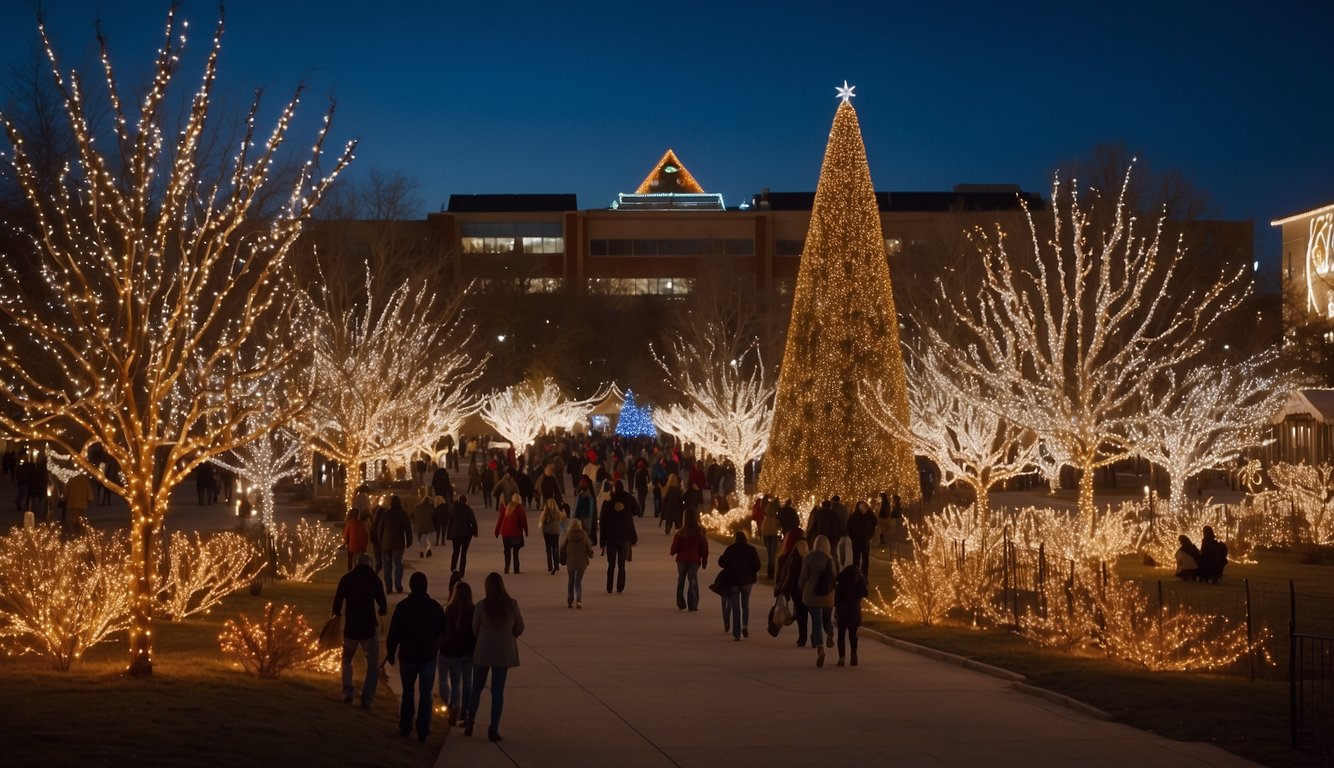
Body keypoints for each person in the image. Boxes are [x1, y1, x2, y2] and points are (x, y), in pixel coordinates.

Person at [385, 571, 447, 741]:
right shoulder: (434, 606)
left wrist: (390, 652)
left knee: (408, 691)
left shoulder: (403, 606)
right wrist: (437, 644)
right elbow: (443, 630)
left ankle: (406, 725)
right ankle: (423, 728)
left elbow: (394, 633)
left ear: (411, 586)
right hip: (427, 655)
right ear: (425, 586)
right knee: (426, 694)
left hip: (408, 656)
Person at [467, 572, 525, 742]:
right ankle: (493, 728)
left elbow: (474, 630)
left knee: (476, 688)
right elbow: (520, 628)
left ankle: (470, 721)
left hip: (484, 649)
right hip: (503, 651)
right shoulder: (512, 605)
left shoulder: (481, 605)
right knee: (497, 692)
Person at [332, 553, 387, 707]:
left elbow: (337, 601)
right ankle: (367, 698)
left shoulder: (347, 578)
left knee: (347, 660)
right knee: (372, 664)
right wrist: (382, 611)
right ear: (369, 564)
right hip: (368, 628)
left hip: (351, 628)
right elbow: (382, 602)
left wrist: (336, 614)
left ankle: (348, 691)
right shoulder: (374, 580)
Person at [438, 579, 476, 727]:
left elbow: (445, 631)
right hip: (468, 651)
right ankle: (465, 711)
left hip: (452, 652)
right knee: (468, 682)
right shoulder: (473, 610)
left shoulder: (449, 610)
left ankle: (454, 706)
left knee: (455, 682)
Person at [798, 534, 837, 667]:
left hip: (812, 595)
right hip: (827, 595)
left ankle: (820, 647)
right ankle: (830, 632)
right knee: (826, 620)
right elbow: (834, 577)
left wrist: (801, 587)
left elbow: (803, 577)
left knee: (816, 622)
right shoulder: (830, 560)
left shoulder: (808, 558)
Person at [718, 530, 761, 641]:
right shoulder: (751, 550)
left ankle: (736, 633)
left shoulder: (730, 549)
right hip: (747, 581)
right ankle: (745, 626)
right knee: (745, 605)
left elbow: (722, 562)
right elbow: (758, 565)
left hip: (733, 581)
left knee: (735, 606)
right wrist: (751, 572)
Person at [599, 480, 639, 594]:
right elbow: (638, 511)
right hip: (625, 536)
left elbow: (602, 521)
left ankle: (609, 587)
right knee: (621, 564)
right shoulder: (629, 498)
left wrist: (602, 540)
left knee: (611, 564)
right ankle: (620, 588)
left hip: (611, 537)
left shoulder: (608, 500)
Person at [775, 531, 808, 647]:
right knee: (809, 613)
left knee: (800, 613)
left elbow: (789, 575)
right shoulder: (808, 557)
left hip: (796, 589)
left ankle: (802, 637)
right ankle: (814, 637)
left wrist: (783, 590)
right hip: (807, 589)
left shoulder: (792, 558)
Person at [669, 514, 709, 612]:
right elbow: (704, 547)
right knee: (693, 580)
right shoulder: (700, 532)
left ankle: (680, 602)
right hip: (694, 560)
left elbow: (673, 549)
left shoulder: (680, 533)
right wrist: (704, 560)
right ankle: (693, 604)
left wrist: (674, 551)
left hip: (682, 560)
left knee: (681, 580)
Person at [834, 562, 868, 666]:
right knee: (853, 635)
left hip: (843, 611)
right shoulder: (859, 580)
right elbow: (865, 593)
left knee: (841, 635)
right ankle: (854, 655)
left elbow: (837, 597)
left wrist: (836, 608)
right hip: (855, 611)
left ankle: (842, 657)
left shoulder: (842, 581)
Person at [377, 495, 413, 593]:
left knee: (387, 565)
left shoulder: (386, 514)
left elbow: (380, 528)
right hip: (398, 543)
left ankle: (389, 587)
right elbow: (407, 529)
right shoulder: (403, 514)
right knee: (398, 564)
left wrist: (380, 541)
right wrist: (409, 541)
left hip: (386, 543)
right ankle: (398, 585)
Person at [559, 518, 595, 608]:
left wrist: (561, 557)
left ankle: (570, 600)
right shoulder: (584, 535)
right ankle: (578, 601)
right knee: (578, 582)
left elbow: (563, 548)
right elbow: (588, 548)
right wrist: (591, 554)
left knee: (571, 581)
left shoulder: (568, 535)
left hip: (570, 561)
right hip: (582, 562)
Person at [495, 493, 529, 574]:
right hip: (516, 534)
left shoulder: (506, 507)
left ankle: (506, 568)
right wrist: (526, 531)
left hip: (505, 534)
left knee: (507, 551)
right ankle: (516, 570)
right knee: (515, 553)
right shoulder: (520, 508)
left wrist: (496, 531)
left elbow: (500, 520)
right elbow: (523, 521)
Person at [448, 494, 479, 576]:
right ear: (466, 501)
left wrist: (449, 534)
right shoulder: (468, 509)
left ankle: (453, 569)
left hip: (455, 533)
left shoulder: (453, 508)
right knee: (463, 553)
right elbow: (473, 521)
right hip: (466, 534)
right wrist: (475, 532)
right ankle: (462, 572)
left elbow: (450, 522)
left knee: (455, 551)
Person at [846, 499, 877, 577]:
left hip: (865, 540)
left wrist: (869, 536)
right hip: (856, 540)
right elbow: (849, 528)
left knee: (865, 559)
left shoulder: (870, 515)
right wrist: (852, 537)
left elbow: (874, 525)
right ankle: (856, 575)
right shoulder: (853, 516)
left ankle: (864, 575)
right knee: (856, 559)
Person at [539, 498, 565, 575]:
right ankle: (556, 565)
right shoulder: (559, 514)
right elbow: (563, 523)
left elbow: (541, 524)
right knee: (555, 549)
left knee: (548, 549)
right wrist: (562, 530)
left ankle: (550, 566)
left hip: (547, 533)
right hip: (556, 533)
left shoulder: (545, 513)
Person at [759, 495, 781, 579]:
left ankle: (769, 571)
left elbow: (762, 503)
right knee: (772, 554)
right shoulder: (775, 519)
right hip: (773, 536)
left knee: (768, 554)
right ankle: (771, 571)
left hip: (766, 536)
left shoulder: (765, 518)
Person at [412, 492, 435, 558]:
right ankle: (428, 549)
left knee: (420, 540)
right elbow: (434, 517)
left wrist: (415, 521)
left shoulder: (417, 507)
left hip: (419, 526)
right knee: (428, 539)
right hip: (429, 526)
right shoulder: (431, 508)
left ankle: (421, 551)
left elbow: (412, 515)